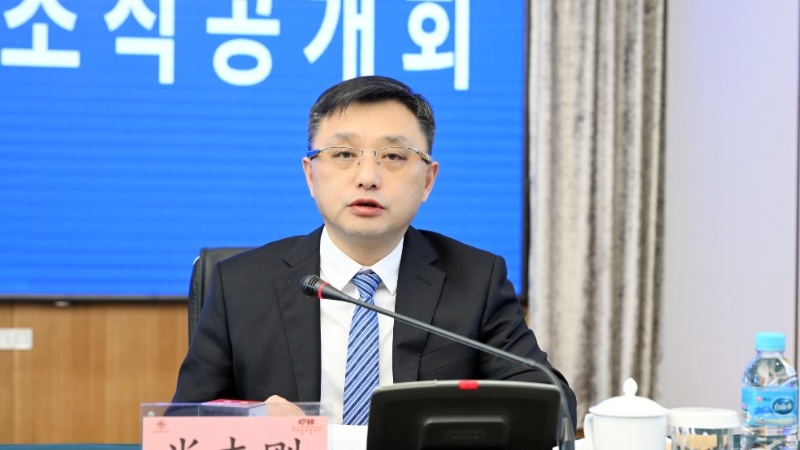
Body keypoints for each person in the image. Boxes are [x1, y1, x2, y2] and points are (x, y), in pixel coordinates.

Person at [171, 75, 578, 427]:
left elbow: (553, 406)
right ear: (310, 175)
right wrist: (254, 423)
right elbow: (182, 424)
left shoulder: (475, 280)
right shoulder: (240, 285)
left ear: (428, 180)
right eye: (344, 154)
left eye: (394, 156)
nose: (367, 177)